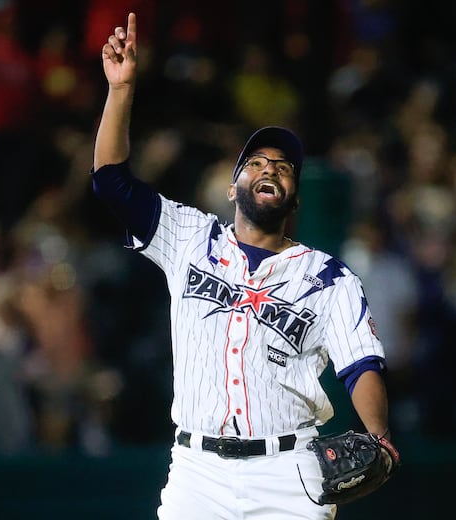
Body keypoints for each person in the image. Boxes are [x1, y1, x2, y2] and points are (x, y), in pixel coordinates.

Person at [92, 12, 398, 519]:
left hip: (289, 472)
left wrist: (380, 438)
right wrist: (120, 90)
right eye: (256, 163)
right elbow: (110, 181)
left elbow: (361, 366)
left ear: (294, 198)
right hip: (197, 471)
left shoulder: (328, 279)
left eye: (282, 168)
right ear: (232, 188)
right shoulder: (190, 237)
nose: (271, 170)